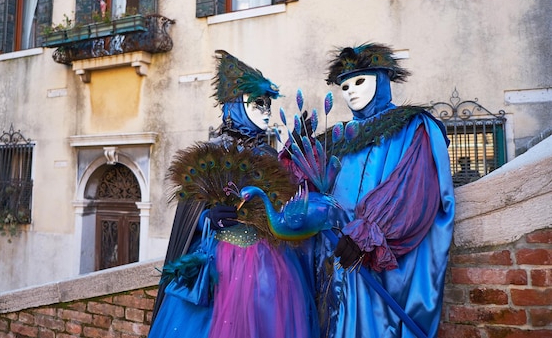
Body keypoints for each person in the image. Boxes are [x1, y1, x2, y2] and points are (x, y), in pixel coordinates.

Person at [149, 50, 318, 338]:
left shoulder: (269, 154)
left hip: (270, 264)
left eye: (268, 104)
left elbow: (285, 205)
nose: (266, 110)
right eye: (258, 103)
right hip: (221, 263)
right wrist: (207, 217)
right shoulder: (212, 152)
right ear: (235, 107)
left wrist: (300, 157)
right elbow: (189, 216)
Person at [312, 43, 455, 338]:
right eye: (345, 85)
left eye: (360, 81)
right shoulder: (338, 137)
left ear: (381, 80)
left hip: (380, 261)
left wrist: (369, 231)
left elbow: (414, 187)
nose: (351, 91)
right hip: (337, 256)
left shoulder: (413, 125)